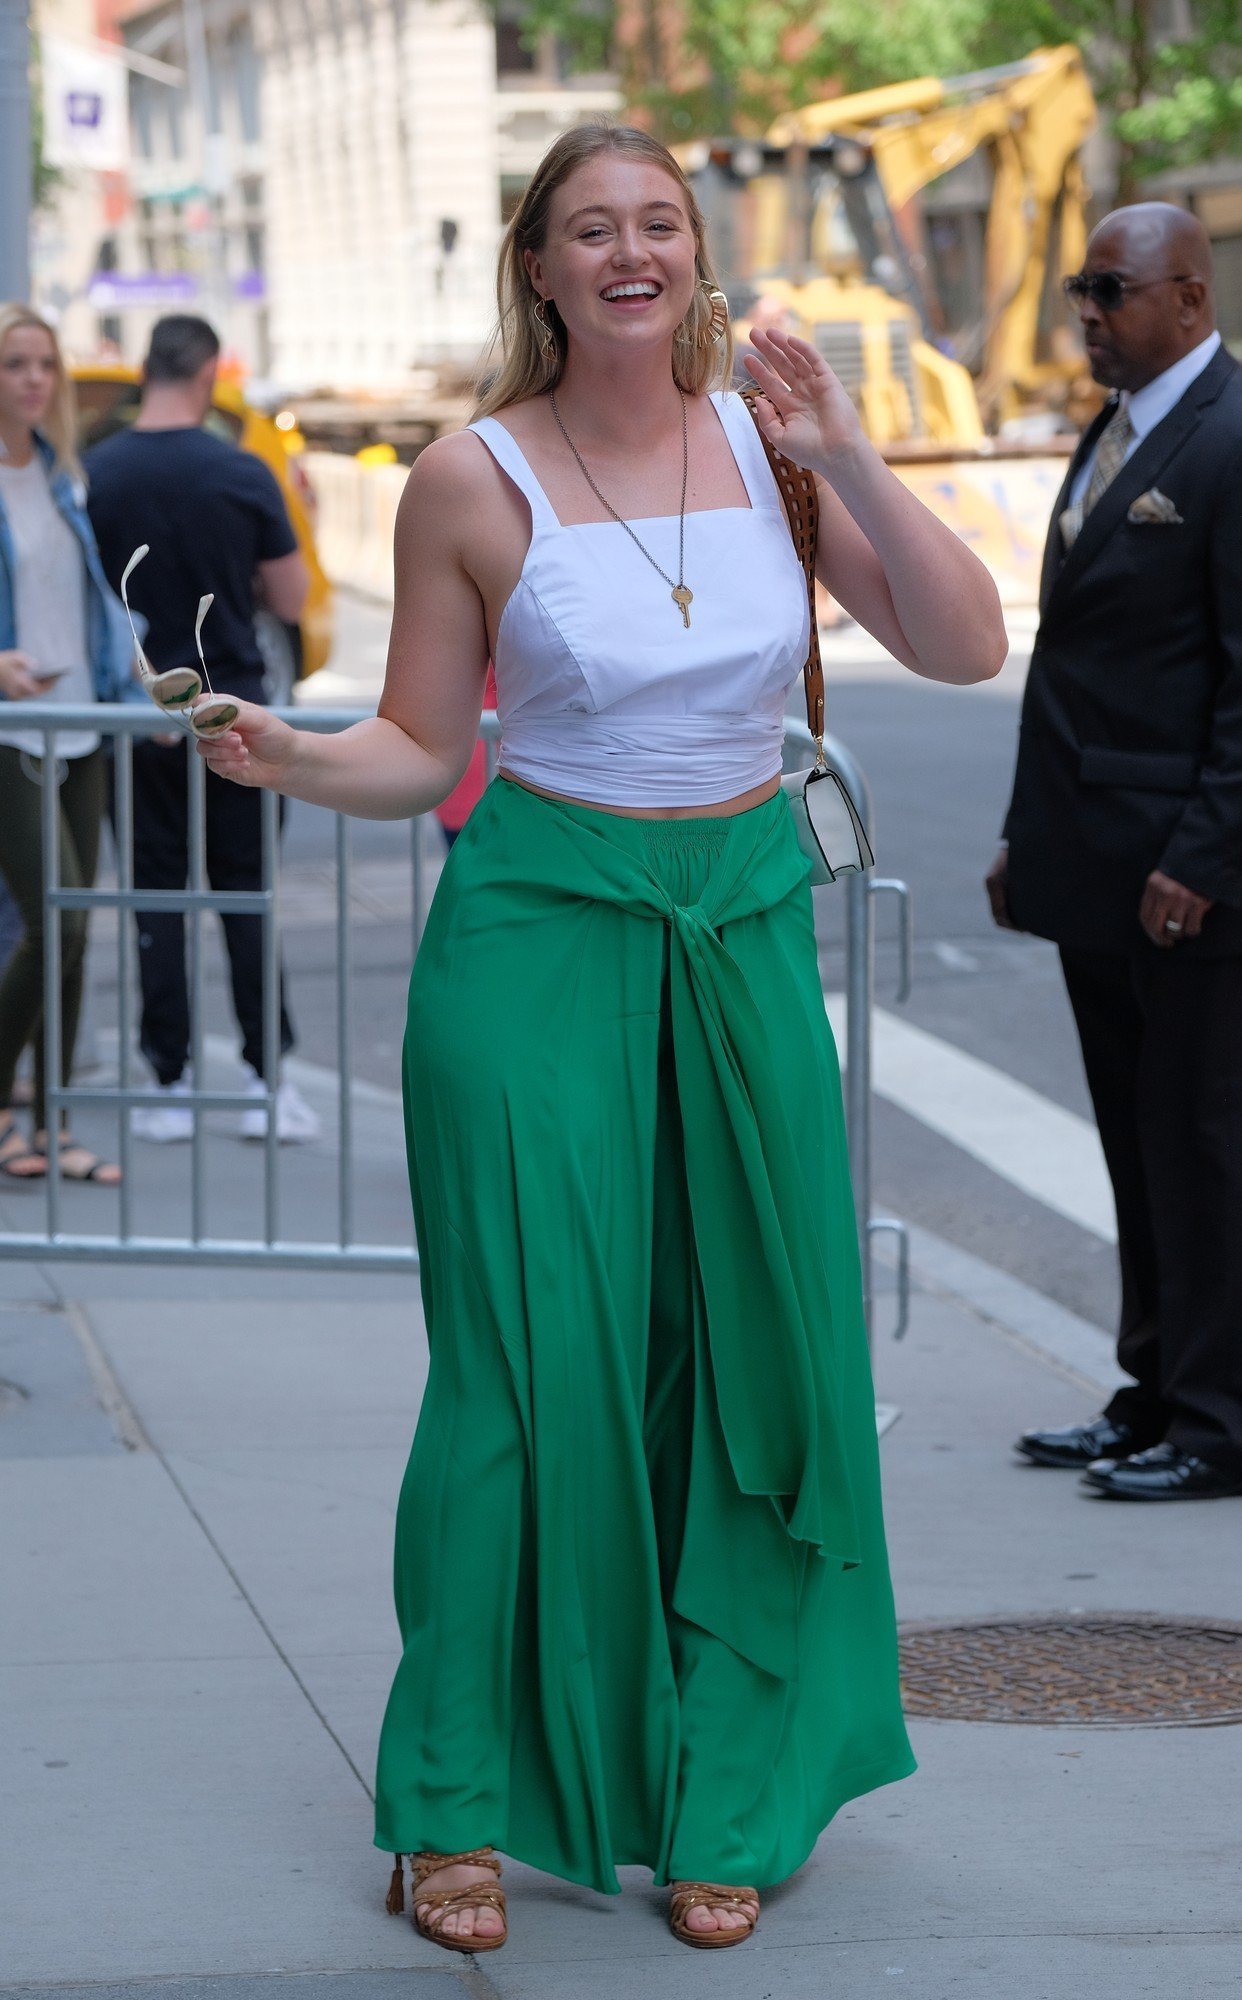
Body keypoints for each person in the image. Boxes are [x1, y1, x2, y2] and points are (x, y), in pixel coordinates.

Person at [199, 125, 1005, 1953]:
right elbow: (420, 751)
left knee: (748, 1375)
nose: (628, 252)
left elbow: (960, 649)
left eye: (658, 224)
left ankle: (725, 1791)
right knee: (520, 1383)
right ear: (539, 269)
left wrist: (850, 454)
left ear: (694, 255)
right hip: (534, 947)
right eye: (590, 230)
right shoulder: (465, 481)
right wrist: (289, 755)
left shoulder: (768, 450)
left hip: (735, 949)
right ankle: (451, 1806)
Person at [990, 203, 1242, 1503]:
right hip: (1097, 865)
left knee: (1202, 1150)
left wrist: (1203, 856)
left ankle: (1214, 1422)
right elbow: (1083, 662)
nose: (1085, 311)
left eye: (1108, 290)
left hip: (1187, 883)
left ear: (1187, 300)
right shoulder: (1123, 418)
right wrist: (1024, 840)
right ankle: (1149, 1390)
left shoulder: (1229, 438)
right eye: (1080, 287)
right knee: (1135, 1148)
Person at [84, 315, 319, 1144]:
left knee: (157, 894)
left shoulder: (96, 473)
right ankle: (266, 1077)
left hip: (137, 716)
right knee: (245, 894)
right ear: (210, 372)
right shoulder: (242, 470)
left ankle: (168, 1080)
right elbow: (291, 600)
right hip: (235, 714)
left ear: (144, 371)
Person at [0, 303, 131, 1187]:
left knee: (76, 933)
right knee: (62, 915)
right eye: (15, 364)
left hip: (85, 717)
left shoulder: (61, 477)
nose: (35, 380)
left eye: (44, 363)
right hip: (11, 727)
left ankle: (46, 1124)